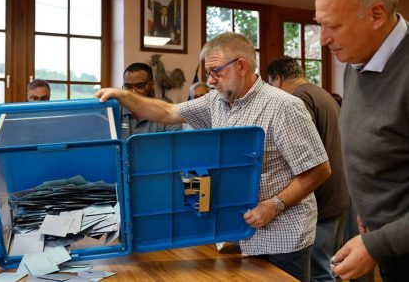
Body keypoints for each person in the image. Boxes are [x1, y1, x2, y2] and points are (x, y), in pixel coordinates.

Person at [97, 32, 331, 281]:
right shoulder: (215, 101)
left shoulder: (284, 106)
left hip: (282, 238)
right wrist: (123, 96)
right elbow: (167, 112)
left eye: (216, 72)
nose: (210, 81)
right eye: (208, 73)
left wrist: (275, 205)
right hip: (239, 233)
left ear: (241, 66)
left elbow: (318, 169)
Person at [315, 0, 409, 280]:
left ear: (377, 15)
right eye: (320, 25)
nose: (323, 39)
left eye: (334, 26)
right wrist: (368, 211)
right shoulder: (359, 59)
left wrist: (377, 244)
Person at [267, 56, 350, 282]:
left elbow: (301, 156)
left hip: (321, 201)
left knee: (319, 273)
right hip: (338, 197)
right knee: (331, 268)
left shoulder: (298, 99)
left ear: (278, 80)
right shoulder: (321, 93)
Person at [121, 62, 182, 139]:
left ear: (152, 84)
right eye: (128, 87)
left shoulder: (168, 112)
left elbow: (171, 147)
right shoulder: (115, 110)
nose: (133, 93)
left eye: (140, 86)